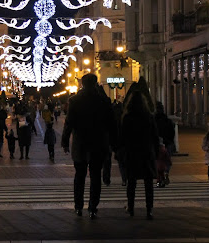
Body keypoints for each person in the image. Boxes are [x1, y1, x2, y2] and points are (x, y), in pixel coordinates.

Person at [61, 73, 116, 220]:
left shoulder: (74, 100)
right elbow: (111, 124)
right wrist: (114, 142)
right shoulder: (104, 100)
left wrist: (65, 140)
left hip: (80, 142)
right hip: (98, 142)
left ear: (82, 84)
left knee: (79, 175)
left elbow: (69, 122)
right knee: (96, 176)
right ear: (95, 83)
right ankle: (93, 208)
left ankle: (78, 206)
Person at [119, 90, 159, 220]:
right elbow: (155, 136)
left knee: (131, 182)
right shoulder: (149, 117)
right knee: (148, 183)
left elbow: (122, 137)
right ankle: (149, 210)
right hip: (146, 152)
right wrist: (156, 152)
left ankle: (131, 208)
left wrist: (121, 152)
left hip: (132, 152)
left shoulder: (127, 117)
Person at [154, 102, 175, 186]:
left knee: (157, 161)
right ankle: (166, 172)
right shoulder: (167, 120)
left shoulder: (153, 120)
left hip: (157, 144)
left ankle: (159, 179)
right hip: (167, 143)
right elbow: (172, 132)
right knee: (167, 159)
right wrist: (170, 140)